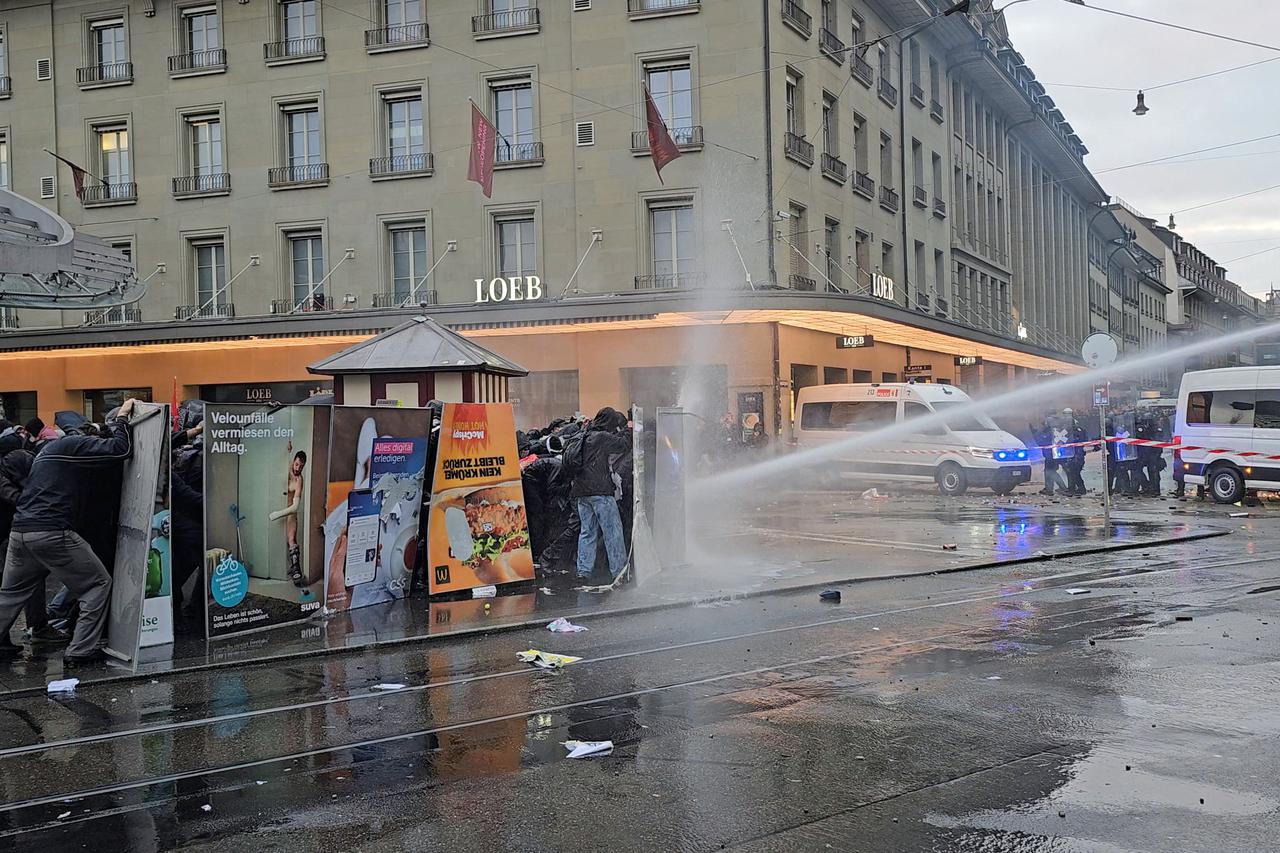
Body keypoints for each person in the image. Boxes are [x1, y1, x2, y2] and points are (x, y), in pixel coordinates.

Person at [0, 399, 135, 666]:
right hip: (51, 531)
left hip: (20, 531)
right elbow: (122, 449)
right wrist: (122, 419)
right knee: (97, 584)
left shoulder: (47, 453)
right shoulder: (76, 445)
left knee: (10, 594)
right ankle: (81, 650)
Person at [567, 407, 630, 583]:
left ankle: (583, 571)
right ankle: (619, 571)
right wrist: (629, 426)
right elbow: (624, 444)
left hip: (581, 493)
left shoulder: (584, 435)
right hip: (600, 492)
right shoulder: (601, 437)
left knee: (587, 532)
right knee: (613, 532)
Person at [269, 447, 308, 588]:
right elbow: (276, 462)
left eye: (301, 466)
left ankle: (296, 571)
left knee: (291, 540)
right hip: (277, 504)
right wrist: (286, 450)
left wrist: (276, 514)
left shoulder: (299, 480)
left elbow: (295, 507)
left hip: (290, 513)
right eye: (297, 464)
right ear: (293, 461)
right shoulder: (287, 468)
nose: (298, 468)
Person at [1062, 409, 1088, 496]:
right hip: (1071, 454)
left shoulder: (1077, 431)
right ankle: (1074, 488)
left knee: (1074, 472)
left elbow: (1081, 440)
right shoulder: (1068, 430)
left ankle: (1078, 489)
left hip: (1077, 455)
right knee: (1072, 472)